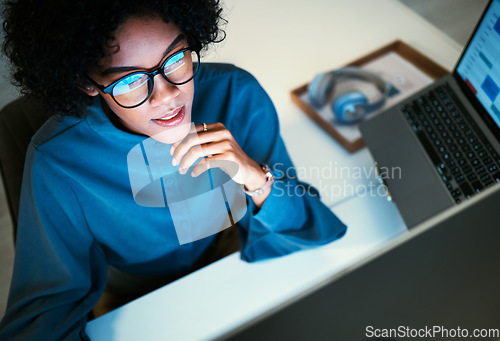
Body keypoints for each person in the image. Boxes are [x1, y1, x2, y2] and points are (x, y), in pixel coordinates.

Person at [0, 0, 347, 339]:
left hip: (230, 252)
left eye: (176, 58)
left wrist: (256, 178)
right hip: (130, 291)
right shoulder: (58, 161)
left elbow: (310, 228)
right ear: (87, 83)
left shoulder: (237, 94)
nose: (167, 96)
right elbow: (43, 317)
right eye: (129, 81)